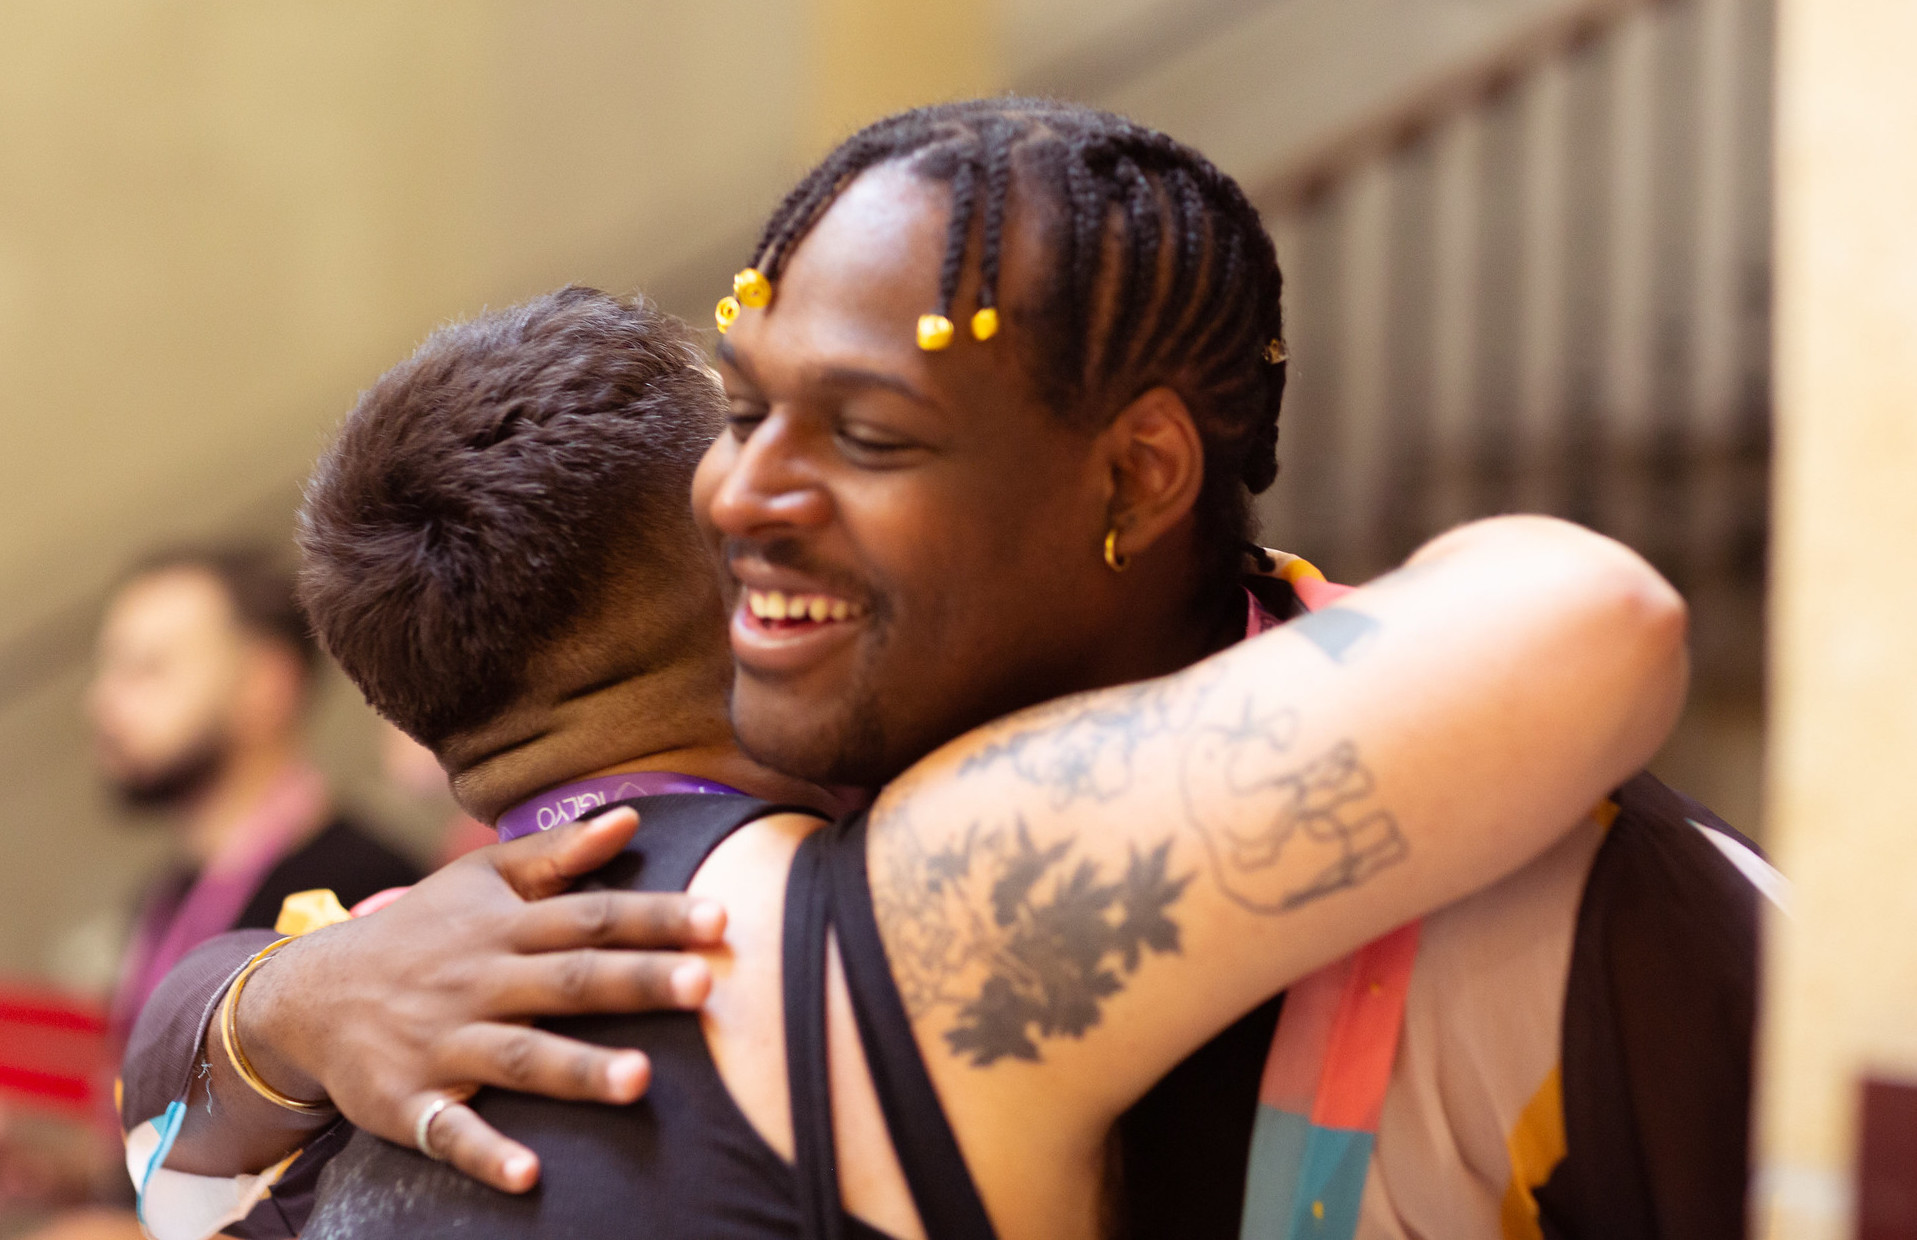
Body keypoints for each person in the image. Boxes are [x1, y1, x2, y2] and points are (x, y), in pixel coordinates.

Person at [121, 100, 1749, 1240]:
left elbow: (1591, 620)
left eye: (864, 434)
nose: (751, 492)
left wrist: (268, 1009)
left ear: (1133, 479)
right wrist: (286, 999)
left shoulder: (1553, 898)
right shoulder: (719, 922)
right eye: (747, 415)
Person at [0, 549, 421, 1239]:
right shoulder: (163, 897)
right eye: (110, 669)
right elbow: (170, 1156)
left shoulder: (367, 883)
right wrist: (65, 1179)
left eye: (149, 670)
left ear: (266, 685)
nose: (101, 701)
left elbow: (364, 1193)